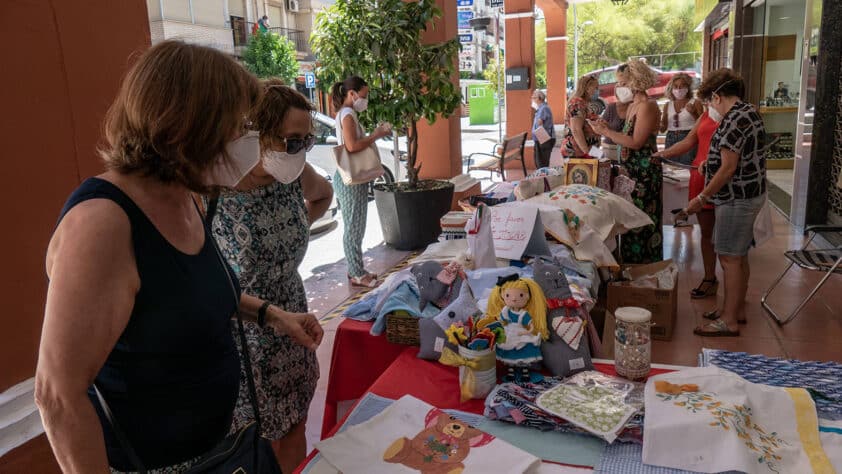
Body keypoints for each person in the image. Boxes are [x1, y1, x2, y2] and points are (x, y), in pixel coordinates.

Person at [34, 41, 323, 473]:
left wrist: (271, 315)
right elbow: (57, 395)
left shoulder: (187, 196)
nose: (248, 139)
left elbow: (187, 294)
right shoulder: (103, 223)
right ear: (189, 127)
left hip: (216, 451)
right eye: (239, 125)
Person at [209, 80, 333, 472]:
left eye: (307, 142)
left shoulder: (293, 174)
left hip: (293, 317)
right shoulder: (214, 189)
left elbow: (324, 193)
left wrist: (300, 225)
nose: (300, 151)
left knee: (294, 424)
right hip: (241, 330)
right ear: (256, 135)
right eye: (292, 141)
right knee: (250, 443)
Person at [684, 69, 767, 337]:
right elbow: (737, 156)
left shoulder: (733, 119)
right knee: (739, 255)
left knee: (730, 257)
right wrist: (712, 162)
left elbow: (729, 168)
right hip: (749, 193)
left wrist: (702, 197)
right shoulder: (748, 112)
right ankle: (735, 309)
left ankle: (728, 320)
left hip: (736, 198)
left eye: (709, 101)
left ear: (717, 96)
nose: (709, 107)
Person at [590, 59, 663, 263]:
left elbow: (636, 142)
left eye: (623, 82)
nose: (619, 87)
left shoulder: (647, 106)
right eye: (618, 83)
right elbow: (624, 135)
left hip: (644, 173)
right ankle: (631, 265)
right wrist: (605, 128)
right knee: (629, 221)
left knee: (642, 221)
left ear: (636, 82)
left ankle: (644, 268)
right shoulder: (633, 106)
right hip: (630, 171)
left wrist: (607, 131)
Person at [330, 76, 392, 288]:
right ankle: (356, 273)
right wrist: (376, 135)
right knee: (354, 228)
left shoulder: (346, 114)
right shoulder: (347, 114)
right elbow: (352, 146)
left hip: (350, 178)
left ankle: (355, 269)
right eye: (363, 96)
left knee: (354, 225)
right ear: (351, 94)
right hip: (351, 179)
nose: (365, 100)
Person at [654, 108, 721, 298]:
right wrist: (664, 153)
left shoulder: (736, 116)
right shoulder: (707, 113)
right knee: (706, 232)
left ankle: (735, 296)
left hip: (723, 176)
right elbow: (689, 141)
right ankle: (709, 277)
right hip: (700, 174)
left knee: (727, 240)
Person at [659, 73, 703, 166]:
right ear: (671, 88)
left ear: (688, 88)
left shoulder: (695, 103)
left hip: (688, 137)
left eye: (682, 86)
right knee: (670, 167)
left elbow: (702, 125)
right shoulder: (668, 105)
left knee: (687, 167)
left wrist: (693, 113)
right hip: (670, 139)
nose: (678, 89)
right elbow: (663, 129)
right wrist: (656, 121)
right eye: (676, 86)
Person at [561, 75, 601, 158]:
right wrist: (586, 151)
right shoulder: (577, 103)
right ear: (587, 88)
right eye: (596, 88)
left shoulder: (584, 103)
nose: (597, 91)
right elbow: (576, 129)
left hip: (587, 150)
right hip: (578, 152)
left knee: (603, 160)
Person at [531, 89, 555, 169]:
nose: (533, 99)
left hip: (543, 138)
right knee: (540, 162)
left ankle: (543, 180)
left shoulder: (543, 108)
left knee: (541, 163)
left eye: (534, 97)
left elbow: (539, 122)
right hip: (541, 138)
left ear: (539, 98)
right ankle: (543, 179)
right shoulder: (542, 108)